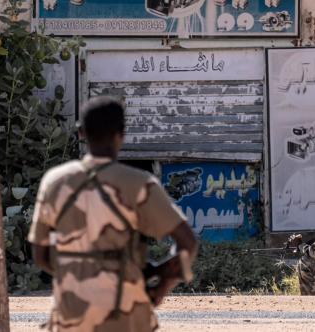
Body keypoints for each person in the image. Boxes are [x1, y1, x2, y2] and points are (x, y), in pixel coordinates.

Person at [28, 96, 198, 331]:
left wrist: (78, 273)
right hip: (126, 314)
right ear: (122, 134)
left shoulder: (55, 182)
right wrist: (162, 285)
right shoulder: (139, 184)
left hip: (71, 315)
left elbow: (40, 255)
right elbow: (188, 242)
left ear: (81, 133)